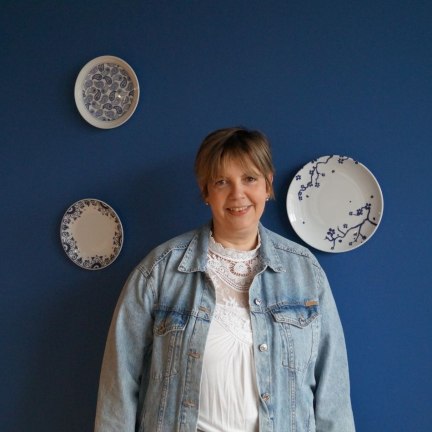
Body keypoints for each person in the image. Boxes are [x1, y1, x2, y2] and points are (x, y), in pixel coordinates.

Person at [94, 127, 355, 432]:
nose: (237, 194)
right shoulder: (159, 272)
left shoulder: (305, 272)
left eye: (250, 178)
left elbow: (333, 395)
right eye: (222, 182)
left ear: (268, 184)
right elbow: (118, 385)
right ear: (205, 191)